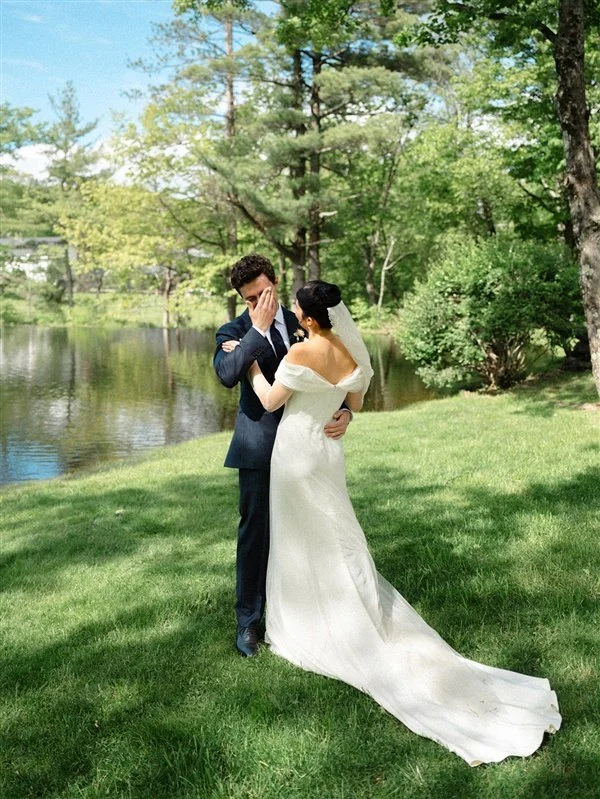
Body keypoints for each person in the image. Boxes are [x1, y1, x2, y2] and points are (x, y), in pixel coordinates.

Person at [247, 279, 561, 766]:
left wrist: (249, 364)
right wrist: (346, 416)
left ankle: (310, 622)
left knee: (301, 538)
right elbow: (356, 398)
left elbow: (270, 401)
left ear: (309, 319)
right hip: (328, 454)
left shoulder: (305, 353)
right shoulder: (351, 354)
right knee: (335, 536)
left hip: (296, 453)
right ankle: (339, 604)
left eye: (295, 311)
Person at [213, 255, 352, 657]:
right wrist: (255, 330)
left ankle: (314, 610)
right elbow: (226, 374)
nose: (257, 303)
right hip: (259, 448)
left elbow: (340, 370)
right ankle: (248, 624)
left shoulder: (302, 322)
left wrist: (346, 410)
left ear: (275, 282)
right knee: (256, 536)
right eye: (249, 298)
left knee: (311, 527)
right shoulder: (234, 330)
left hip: (307, 447)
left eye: (262, 294)